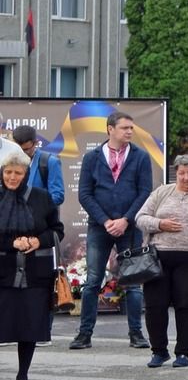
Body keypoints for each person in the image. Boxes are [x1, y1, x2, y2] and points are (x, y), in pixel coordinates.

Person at [68, 110, 153, 352]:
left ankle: (136, 334)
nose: (129, 131)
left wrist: (126, 219)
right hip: (99, 227)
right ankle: (84, 334)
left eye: (131, 128)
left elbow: (144, 191)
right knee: (93, 281)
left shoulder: (141, 157)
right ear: (110, 129)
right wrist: (105, 221)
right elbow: (84, 193)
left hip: (130, 227)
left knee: (133, 282)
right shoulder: (92, 157)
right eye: (125, 127)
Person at [134, 154, 188, 370]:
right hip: (158, 258)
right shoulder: (162, 192)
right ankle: (159, 351)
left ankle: (184, 352)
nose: (185, 178)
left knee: (187, 305)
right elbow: (140, 217)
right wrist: (160, 223)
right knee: (155, 306)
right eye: (181, 173)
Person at [0, 141, 63, 380]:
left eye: (18, 173)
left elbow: (57, 231)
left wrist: (38, 240)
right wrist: (11, 241)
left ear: (26, 175)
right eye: (8, 172)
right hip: (3, 271)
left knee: (28, 326)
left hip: (35, 273)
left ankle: (22, 376)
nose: (12, 177)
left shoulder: (41, 198)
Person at [14, 126, 64, 209]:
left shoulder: (50, 162)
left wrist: (36, 208)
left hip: (38, 219)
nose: (21, 153)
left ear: (36, 143)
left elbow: (57, 196)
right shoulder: (8, 162)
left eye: (26, 149)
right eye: (18, 149)